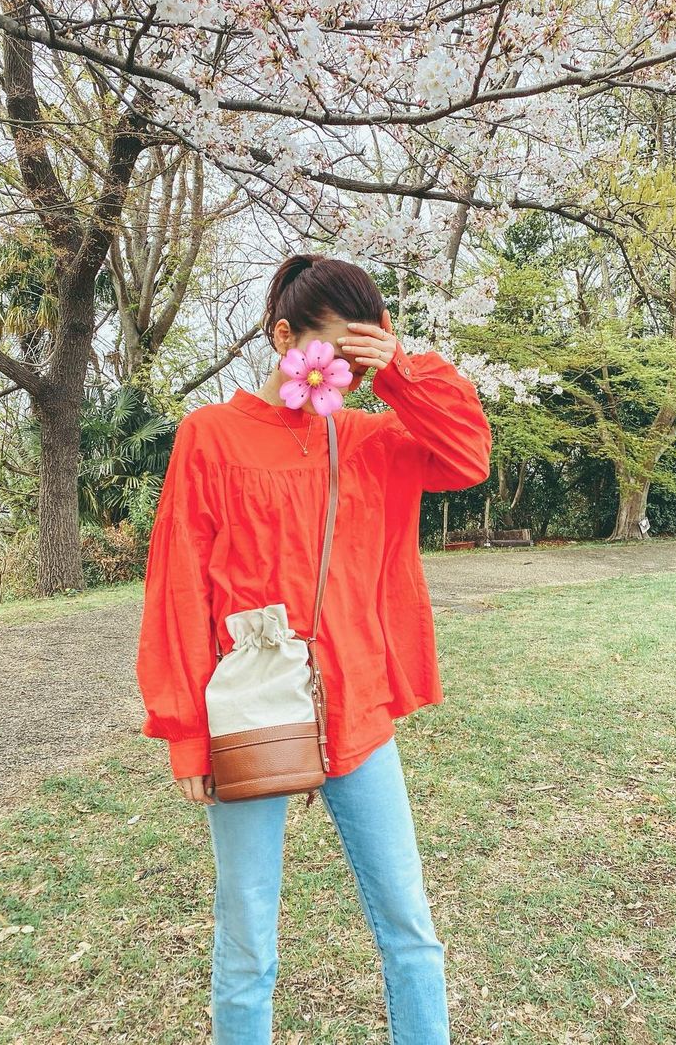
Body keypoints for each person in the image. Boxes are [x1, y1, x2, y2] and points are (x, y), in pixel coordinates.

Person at [135, 253, 493, 1043]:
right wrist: (187, 734)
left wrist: (399, 371)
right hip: (253, 716)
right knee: (247, 946)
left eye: (362, 360)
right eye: (337, 352)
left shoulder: (367, 438)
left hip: (359, 712)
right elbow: (179, 586)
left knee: (411, 932)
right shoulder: (210, 436)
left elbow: (468, 457)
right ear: (283, 337)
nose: (347, 378)